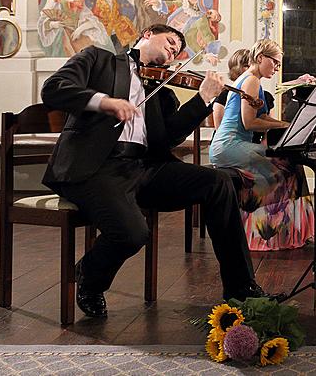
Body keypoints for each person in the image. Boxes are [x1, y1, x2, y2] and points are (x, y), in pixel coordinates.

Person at [41, 24, 269, 318]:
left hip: (143, 167)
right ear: (147, 34)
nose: (173, 51)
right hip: (96, 166)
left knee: (218, 181)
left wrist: (202, 100)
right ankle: (89, 276)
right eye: (170, 41)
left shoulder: (160, 91)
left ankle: (241, 289)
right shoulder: (100, 59)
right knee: (132, 233)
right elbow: (54, 88)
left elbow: (166, 139)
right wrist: (105, 102)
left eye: (177, 51)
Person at [209, 39, 315, 251]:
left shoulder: (249, 79)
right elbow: (249, 123)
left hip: (231, 145)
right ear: (260, 58)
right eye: (275, 62)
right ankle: (265, 234)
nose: (277, 68)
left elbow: (262, 116)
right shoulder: (251, 81)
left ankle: (276, 233)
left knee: (290, 165)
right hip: (230, 145)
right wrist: (285, 126)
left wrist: (287, 124)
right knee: (287, 166)